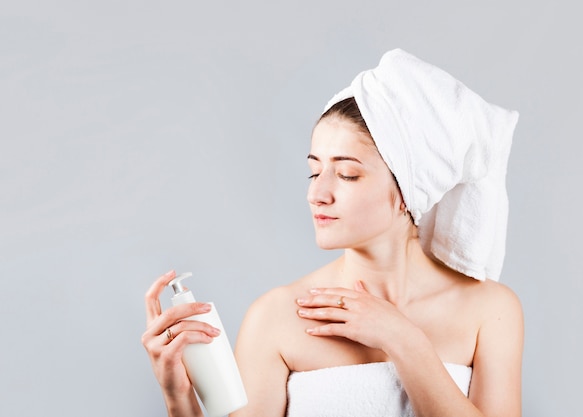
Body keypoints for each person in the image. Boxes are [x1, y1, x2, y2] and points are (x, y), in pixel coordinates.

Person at [142, 49, 524, 417]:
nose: (316, 194)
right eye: (314, 171)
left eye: (346, 174)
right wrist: (179, 400)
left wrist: (403, 340)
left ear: (409, 192)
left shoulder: (490, 311)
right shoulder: (276, 317)